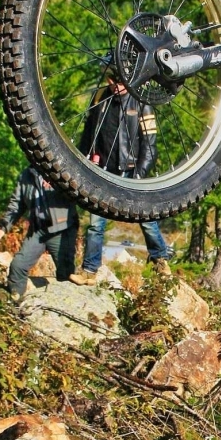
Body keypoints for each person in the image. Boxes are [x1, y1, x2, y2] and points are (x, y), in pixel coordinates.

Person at [70, 77, 173, 286]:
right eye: (111, 78)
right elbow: (89, 131)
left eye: (119, 79)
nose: (115, 83)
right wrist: (85, 158)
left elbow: (150, 144)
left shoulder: (141, 101)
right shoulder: (101, 97)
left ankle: (160, 259)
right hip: (103, 170)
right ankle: (89, 271)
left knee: (145, 218)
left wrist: (140, 174)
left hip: (131, 170)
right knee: (96, 223)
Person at [0, 166, 78, 301]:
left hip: (61, 228)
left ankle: (71, 308)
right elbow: (16, 204)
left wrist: (56, 183)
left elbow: (78, 190)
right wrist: (2, 227)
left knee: (66, 274)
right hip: (38, 230)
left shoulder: (62, 169)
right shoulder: (26, 175)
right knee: (18, 265)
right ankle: (15, 301)